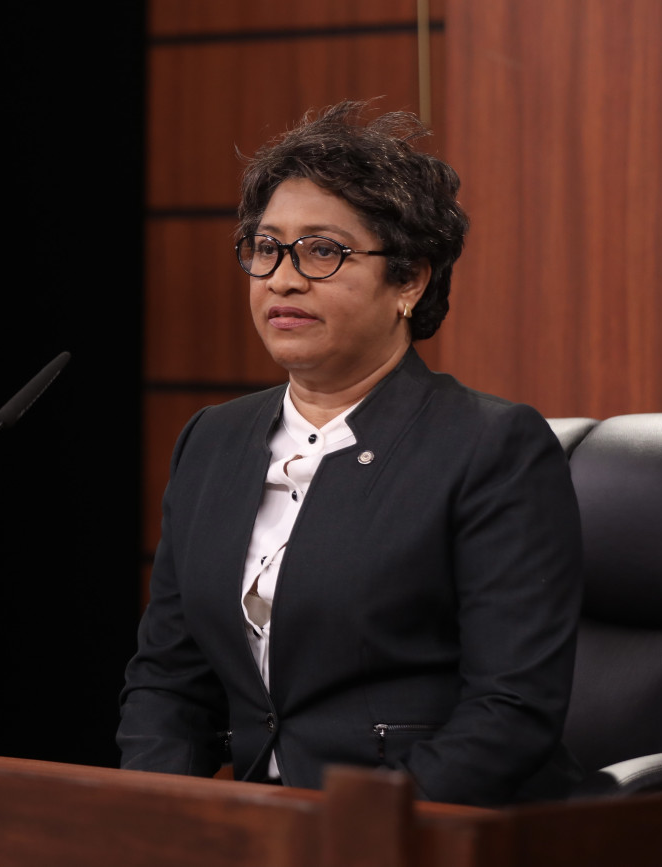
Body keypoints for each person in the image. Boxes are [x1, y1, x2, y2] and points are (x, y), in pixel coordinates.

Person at [117, 101, 583, 807]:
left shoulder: (492, 447)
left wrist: (357, 835)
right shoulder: (213, 439)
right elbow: (169, 681)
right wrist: (153, 822)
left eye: (322, 251)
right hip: (263, 830)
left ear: (410, 280)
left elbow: (511, 711)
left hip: (423, 829)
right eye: (265, 247)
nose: (282, 278)